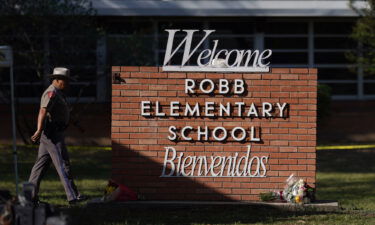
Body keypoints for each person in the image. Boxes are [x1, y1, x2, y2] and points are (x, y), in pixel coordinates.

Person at [28, 67, 86, 205]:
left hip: (54, 133)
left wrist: (76, 124)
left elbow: (64, 112)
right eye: (66, 81)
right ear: (58, 80)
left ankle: (28, 196)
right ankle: (73, 196)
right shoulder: (51, 93)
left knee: (39, 166)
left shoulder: (60, 93)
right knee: (62, 164)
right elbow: (42, 111)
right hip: (52, 134)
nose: (68, 84)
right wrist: (38, 130)